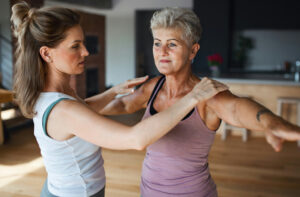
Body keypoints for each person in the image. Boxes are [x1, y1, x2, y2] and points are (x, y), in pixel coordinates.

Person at [11, 2, 229, 197]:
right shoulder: (64, 109)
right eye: (75, 46)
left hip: (59, 187)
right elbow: (135, 139)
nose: (86, 52)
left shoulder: (53, 95)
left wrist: (111, 92)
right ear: (47, 54)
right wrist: (191, 98)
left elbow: (81, 111)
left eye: (83, 43)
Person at [99, 7, 300, 197]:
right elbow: (124, 104)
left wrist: (269, 122)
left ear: (193, 51)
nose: (162, 52)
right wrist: (79, 107)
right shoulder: (154, 86)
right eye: (157, 43)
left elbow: (237, 108)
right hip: (148, 190)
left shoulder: (205, 94)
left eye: (172, 44)